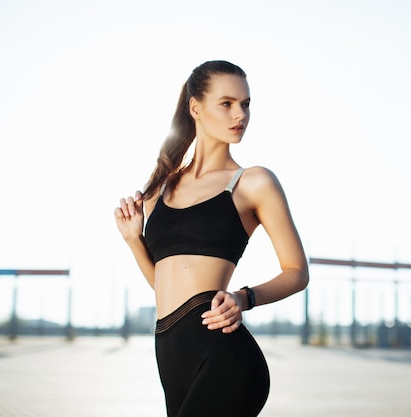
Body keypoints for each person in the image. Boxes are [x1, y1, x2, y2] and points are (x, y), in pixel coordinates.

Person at [114, 60, 309, 417]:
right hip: (171, 356)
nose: (241, 114)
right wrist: (133, 240)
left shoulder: (253, 183)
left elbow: (297, 271)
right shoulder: (162, 186)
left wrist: (244, 297)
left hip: (226, 359)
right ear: (195, 108)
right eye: (227, 103)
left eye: (246, 104)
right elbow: (163, 285)